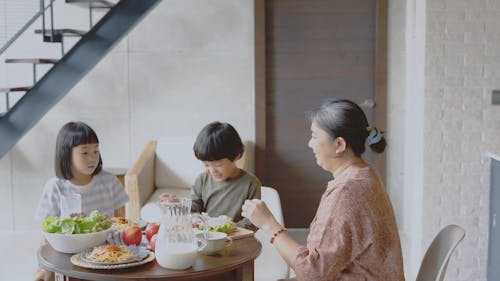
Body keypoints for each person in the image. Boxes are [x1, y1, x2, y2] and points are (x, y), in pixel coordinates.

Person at [241, 99, 405, 281]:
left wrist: (269, 224)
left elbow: (312, 272)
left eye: (315, 136)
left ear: (339, 145)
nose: (310, 144)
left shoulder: (347, 192)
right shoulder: (366, 175)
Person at [34, 121, 129, 281]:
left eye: (95, 151)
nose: (92, 158)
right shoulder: (55, 187)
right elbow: (47, 235)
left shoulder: (109, 181)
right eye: (84, 153)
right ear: (66, 154)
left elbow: (121, 221)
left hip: (105, 253)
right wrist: (45, 268)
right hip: (69, 254)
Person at [160, 121, 261, 230]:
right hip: (205, 237)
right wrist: (179, 206)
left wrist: (227, 230)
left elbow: (252, 221)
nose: (212, 171)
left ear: (237, 156)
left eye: (218, 164)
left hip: (236, 239)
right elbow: (195, 207)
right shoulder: (202, 180)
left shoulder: (251, 183)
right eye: (206, 165)